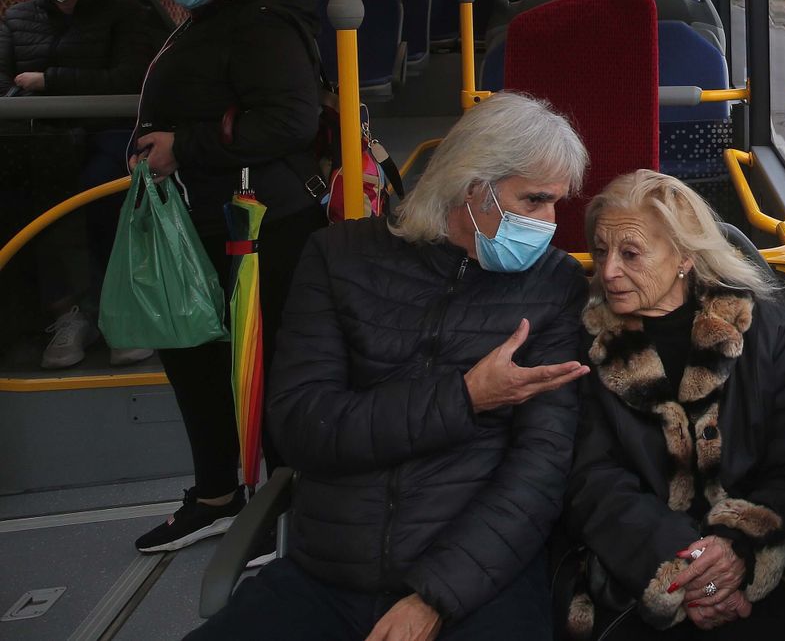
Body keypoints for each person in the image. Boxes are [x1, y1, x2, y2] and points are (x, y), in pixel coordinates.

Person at [189, 92, 592, 641]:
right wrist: (464, 398)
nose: (549, 224)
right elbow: (304, 427)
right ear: (474, 189)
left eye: (555, 204)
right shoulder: (340, 258)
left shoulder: (554, 285)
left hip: (475, 579)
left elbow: (538, 474)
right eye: (535, 201)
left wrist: (434, 597)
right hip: (328, 572)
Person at [561, 171, 785, 641]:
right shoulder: (589, 342)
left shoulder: (765, 331)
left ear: (684, 257)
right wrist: (687, 570)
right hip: (638, 564)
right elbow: (592, 481)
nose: (608, 271)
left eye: (630, 253)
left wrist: (738, 548)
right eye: (601, 251)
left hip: (756, 560)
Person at [129, 0, 326, 554]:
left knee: (259, 369)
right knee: (196, 357)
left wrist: (183, 145)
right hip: (203, 216)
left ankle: (276, 508)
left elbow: (289, 122)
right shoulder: (212, 17)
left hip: (259, 222)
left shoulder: (262, 23)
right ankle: (218, 494)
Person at [0, 0, 164, 368]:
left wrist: (48, 81)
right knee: (28, 198)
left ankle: (122, 311)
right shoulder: (17, 20)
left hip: (107, 131)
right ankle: (66, 312)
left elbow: (131, 79)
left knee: (100, 189)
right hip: (41, 137)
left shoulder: (125, 16)